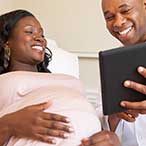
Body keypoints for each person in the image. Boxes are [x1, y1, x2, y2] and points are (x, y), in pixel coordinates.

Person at [0, 9, 102, 146]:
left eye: (42, 34)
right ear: (7, 42)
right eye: (29, 32)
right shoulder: (4, 80)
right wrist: (9, 124)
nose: (40, 38)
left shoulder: (61, 78)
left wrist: (107, 136)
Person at [80, 0, 146, 146]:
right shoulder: (112, 63)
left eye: (125, 11)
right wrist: (114, 116)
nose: (118, 23)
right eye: (109, 17)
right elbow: (103, 118)